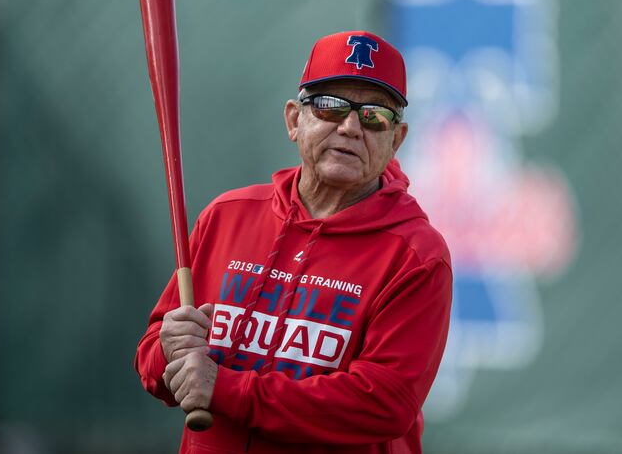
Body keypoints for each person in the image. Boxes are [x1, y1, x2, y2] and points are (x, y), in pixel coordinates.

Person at [135, 30, 453, 454]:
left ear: (396, 140)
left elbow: (383, 403)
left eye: (375, 115)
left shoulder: (417, 255)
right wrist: (167, 351)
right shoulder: (227, 215)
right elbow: (155, 363)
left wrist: (227, 389)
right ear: (293, 120)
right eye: (329, 106)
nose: (350, 127)